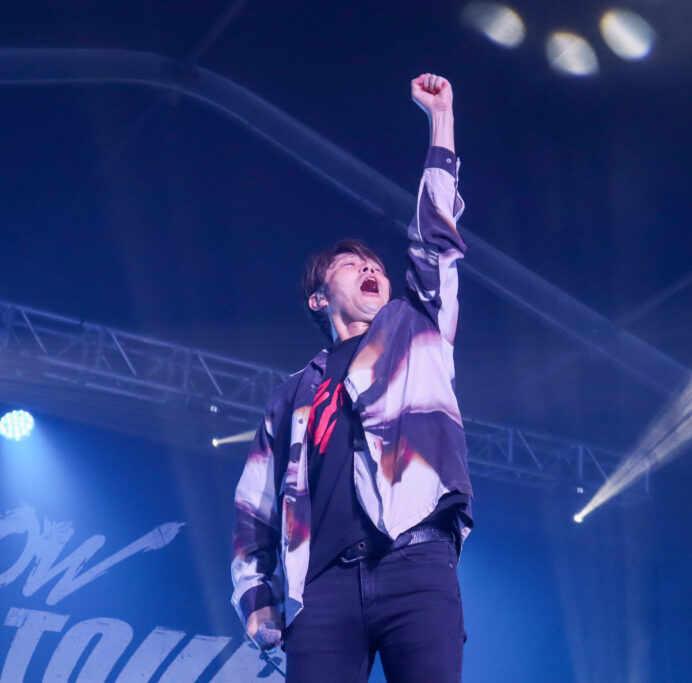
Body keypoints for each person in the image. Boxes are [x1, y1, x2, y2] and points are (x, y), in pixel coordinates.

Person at [231, 73, 472, 683]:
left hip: (416, 562)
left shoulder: (416, 330)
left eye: (376, 265)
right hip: (322, 590)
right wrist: (258, 599)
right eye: (350, 262)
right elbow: (254, 507)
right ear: (318, 298)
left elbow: (436, 240)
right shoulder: (293, 392)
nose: (370, 266)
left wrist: (440, 123)